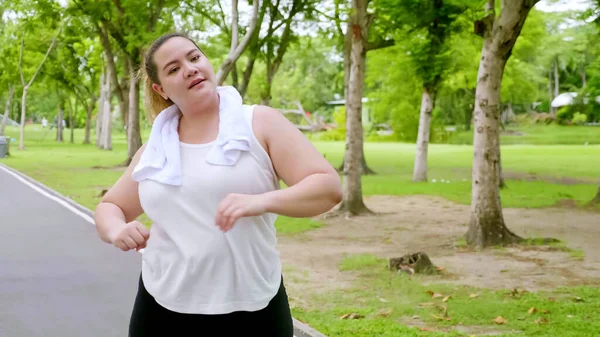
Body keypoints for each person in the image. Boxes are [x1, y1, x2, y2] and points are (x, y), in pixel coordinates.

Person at [93, 32, 342, 337]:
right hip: (161, 306)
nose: (190, 69)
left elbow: (327, 187)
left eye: (194, 57)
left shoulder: (259, 123)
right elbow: (111, 206)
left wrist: (261, 201)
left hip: (252, 308)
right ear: (161, 89)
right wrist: (118, 229)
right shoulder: (156, 150)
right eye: (173, 69)